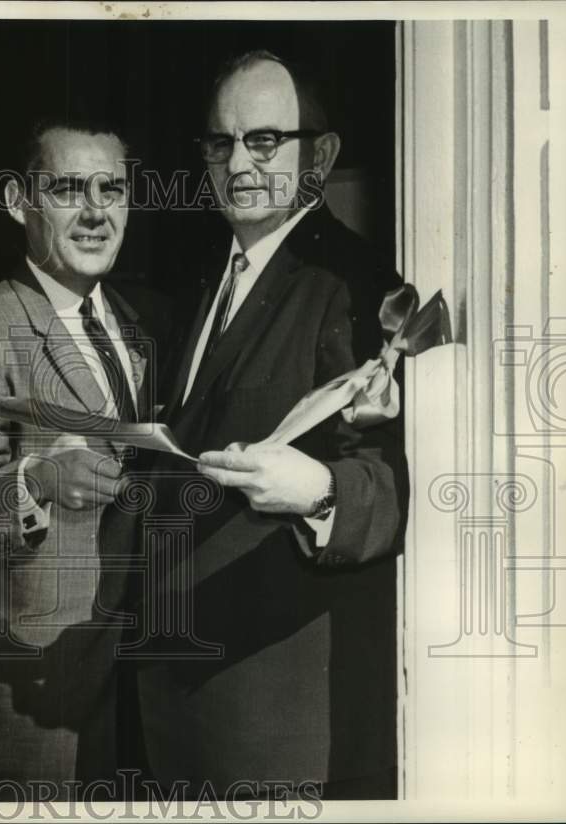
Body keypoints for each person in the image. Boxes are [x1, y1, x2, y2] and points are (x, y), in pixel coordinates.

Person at [126, 51, 409, 799]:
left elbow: (388, 479)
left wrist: (320, 491)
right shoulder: (202, 281)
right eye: (220, 142)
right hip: (184, 705)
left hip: (280, 720)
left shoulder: (357, 285)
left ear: (321, 155)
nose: (238, 162)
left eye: (264, 140)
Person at [0, 120, 155, 793]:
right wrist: (38, 481)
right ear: (19, 202)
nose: (96, 212)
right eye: (70, 189)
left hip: (127, 684)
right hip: (24, 698)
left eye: (112, 189)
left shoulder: (134, 329)